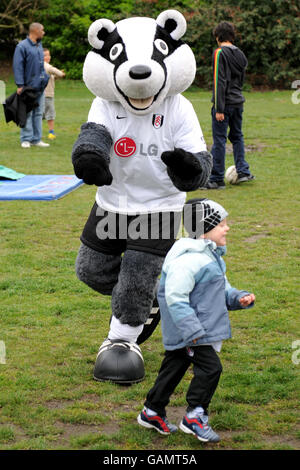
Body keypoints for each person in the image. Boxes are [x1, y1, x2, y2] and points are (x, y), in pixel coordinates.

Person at [137, 198, 255, 443]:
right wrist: (192, 330)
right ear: (204, 228)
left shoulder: (209, 256)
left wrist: (237, 297)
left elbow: (220, 290)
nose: (227, 228)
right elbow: (175, 297)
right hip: (193, 330)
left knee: (175, 365)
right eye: (221, 223)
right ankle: (194, 415)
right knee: (212, 368)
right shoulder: (188, 260)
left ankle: (152, 411)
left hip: (194, 328)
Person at [204, 22, 254, 189]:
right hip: (238, 102)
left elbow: (220, 81)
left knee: (219, 140)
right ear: (232, 36)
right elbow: (240, 81)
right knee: (237, 136)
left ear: (218, 37)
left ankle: (216, 178)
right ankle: (243, 171)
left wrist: (219, 108)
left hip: (224, 104)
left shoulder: (219, 53)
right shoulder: (240, 54)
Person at [13, 22, 49, 148]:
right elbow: (18, 67)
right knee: (27, 113)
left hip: (40, 86)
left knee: (38, 113)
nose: (44, 33)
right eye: (42, 30)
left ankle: (36, 139)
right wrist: (20, 85)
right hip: (27, 87)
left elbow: (40, 66)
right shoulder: (22, 47)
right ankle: (26, 139)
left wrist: (45, 78)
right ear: (36, 31)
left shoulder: (39, 45)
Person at [43, 48, 65, 139]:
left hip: (42, 94)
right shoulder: (46, 65)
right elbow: (53, 70)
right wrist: (61, 74)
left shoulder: (39, 66)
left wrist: (55, 77)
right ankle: (51, 133)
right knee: (50, 114)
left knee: (40, 114)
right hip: (47, 95)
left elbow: (50, 76)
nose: (48, 57)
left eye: (49, 54)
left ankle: (34, 132)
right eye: (46, 55)